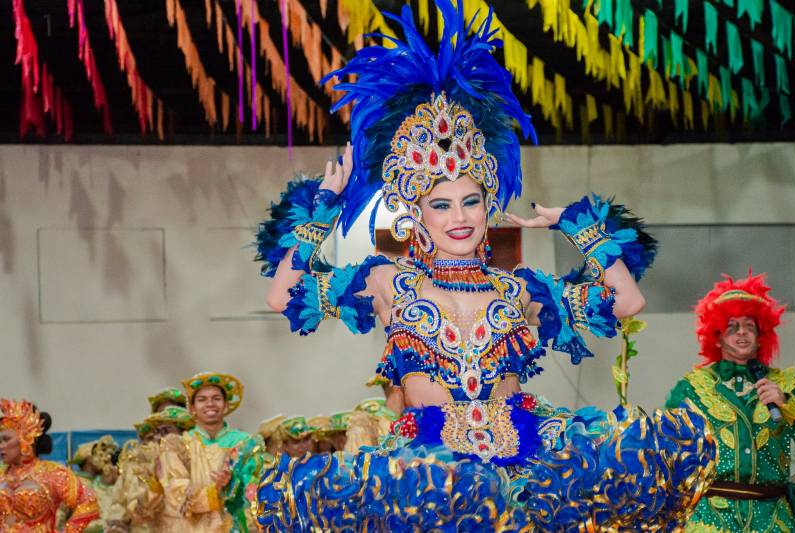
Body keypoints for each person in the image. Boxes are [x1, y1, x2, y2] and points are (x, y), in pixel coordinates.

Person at [253, 1, 715, 530]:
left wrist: (580, 226)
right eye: (442, 205)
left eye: (470, 202)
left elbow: (627, 301)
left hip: (523, 468)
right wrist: (321, 215)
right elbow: (281, 296)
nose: (459, 218)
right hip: (425, 478)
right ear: (416, 213)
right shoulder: (387, 280)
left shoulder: (518, 288)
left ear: (488, 205)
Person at [666, 272, 795, 532]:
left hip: (773, 518)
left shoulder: (787, 386)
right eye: (732, 326)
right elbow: (668, 450)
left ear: (761, 336)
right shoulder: (692, 388)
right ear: (716, 337)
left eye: (749, 326)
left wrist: (788, 405)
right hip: (711, 518)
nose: (741, 333)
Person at [156, 372, 260, 532]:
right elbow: (176, 494)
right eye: (202, 399)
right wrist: (215, 490)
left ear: (226, 405)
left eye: (216, 398)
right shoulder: (178, 446)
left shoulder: (244, 444)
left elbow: (255, 491)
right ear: (192, 408)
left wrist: (233, 486)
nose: (210, 404)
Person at [0, 399, 99, 532]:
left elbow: (89, 501)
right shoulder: (1, 475)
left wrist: (70, 530)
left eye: (6, 439)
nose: (1, 446)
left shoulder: (52, 473)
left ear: (26, 437)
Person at [106, 406, 195, 533]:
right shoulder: (145, 465)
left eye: (166, 431)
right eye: (157, 432)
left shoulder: (200, 460)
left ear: (185, 434)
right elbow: (138, 510)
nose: (158, 438)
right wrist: (157, 484)